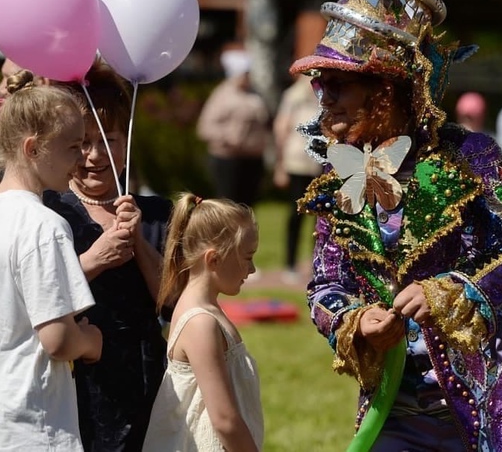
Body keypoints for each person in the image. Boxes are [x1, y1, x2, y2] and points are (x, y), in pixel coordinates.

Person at [289, 0, 502, 451]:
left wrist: (455, 290)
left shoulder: (470, 155)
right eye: (322, 85)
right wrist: (356, 320)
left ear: (387, 90)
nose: (326, 100)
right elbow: (324, 286)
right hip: (395, 409)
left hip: (489, 405)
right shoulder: (334, 180)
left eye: (341, 85)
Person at [43, 58, 173, 452]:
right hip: (77, 369)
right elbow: (37, 297)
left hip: (146, 369)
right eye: (82, 143)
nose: (94, 156)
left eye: (108, 141)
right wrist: (94, 261)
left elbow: (170, 303)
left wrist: (137, 242)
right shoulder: (51, 212)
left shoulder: (156, 213)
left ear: (126, 144)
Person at [0, 70, 103, 451]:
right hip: (36, 426)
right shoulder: (44, 224)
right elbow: (58, 340)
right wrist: (90, 340)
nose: (82, 157)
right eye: (72, 147)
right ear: (33, 149)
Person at [143, 193, 263, 452]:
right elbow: (224, 419)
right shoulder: (200, 322)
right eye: (247, 256)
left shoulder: (205, 311)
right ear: (214, 259)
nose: (252, 269)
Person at [196, 44, 270, 206]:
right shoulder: (222, 94)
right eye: (244, 74)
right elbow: (205, 127)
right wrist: (227, 137)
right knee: (228, 203)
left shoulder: (255, 93)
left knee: (248, 205)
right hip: (228, 158)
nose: (247, 77)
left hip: (252, 157)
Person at [273, 75, 322, 280]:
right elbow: (281, 128)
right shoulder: (294, 95)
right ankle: (290, 263)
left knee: (320, 216)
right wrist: (280, 164)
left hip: (320, 163)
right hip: (297, 162)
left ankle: (317, 262)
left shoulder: (325, 93)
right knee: (296, 215)